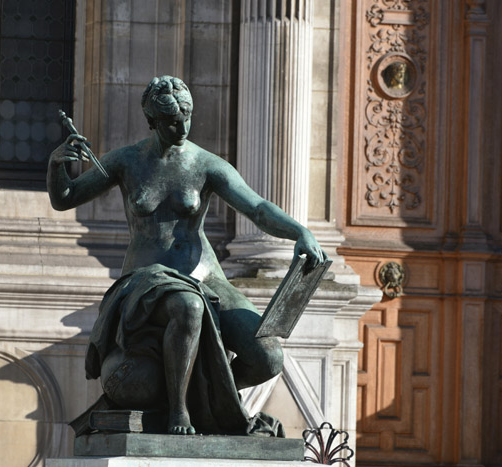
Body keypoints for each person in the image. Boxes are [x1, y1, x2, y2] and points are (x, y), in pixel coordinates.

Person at [47, 76, 326, 436]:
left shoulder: (206, 164)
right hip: (146, 279)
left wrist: (299, 232)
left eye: (187, 117)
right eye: (172, 121)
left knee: (267, 357)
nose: (182, 127)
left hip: (205, 276)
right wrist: (57, 165)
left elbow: (256, 207)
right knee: (187, 307)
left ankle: (208, 399)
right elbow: (65, 198)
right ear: (152, 121)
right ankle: (179, 411)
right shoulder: (127, 161)